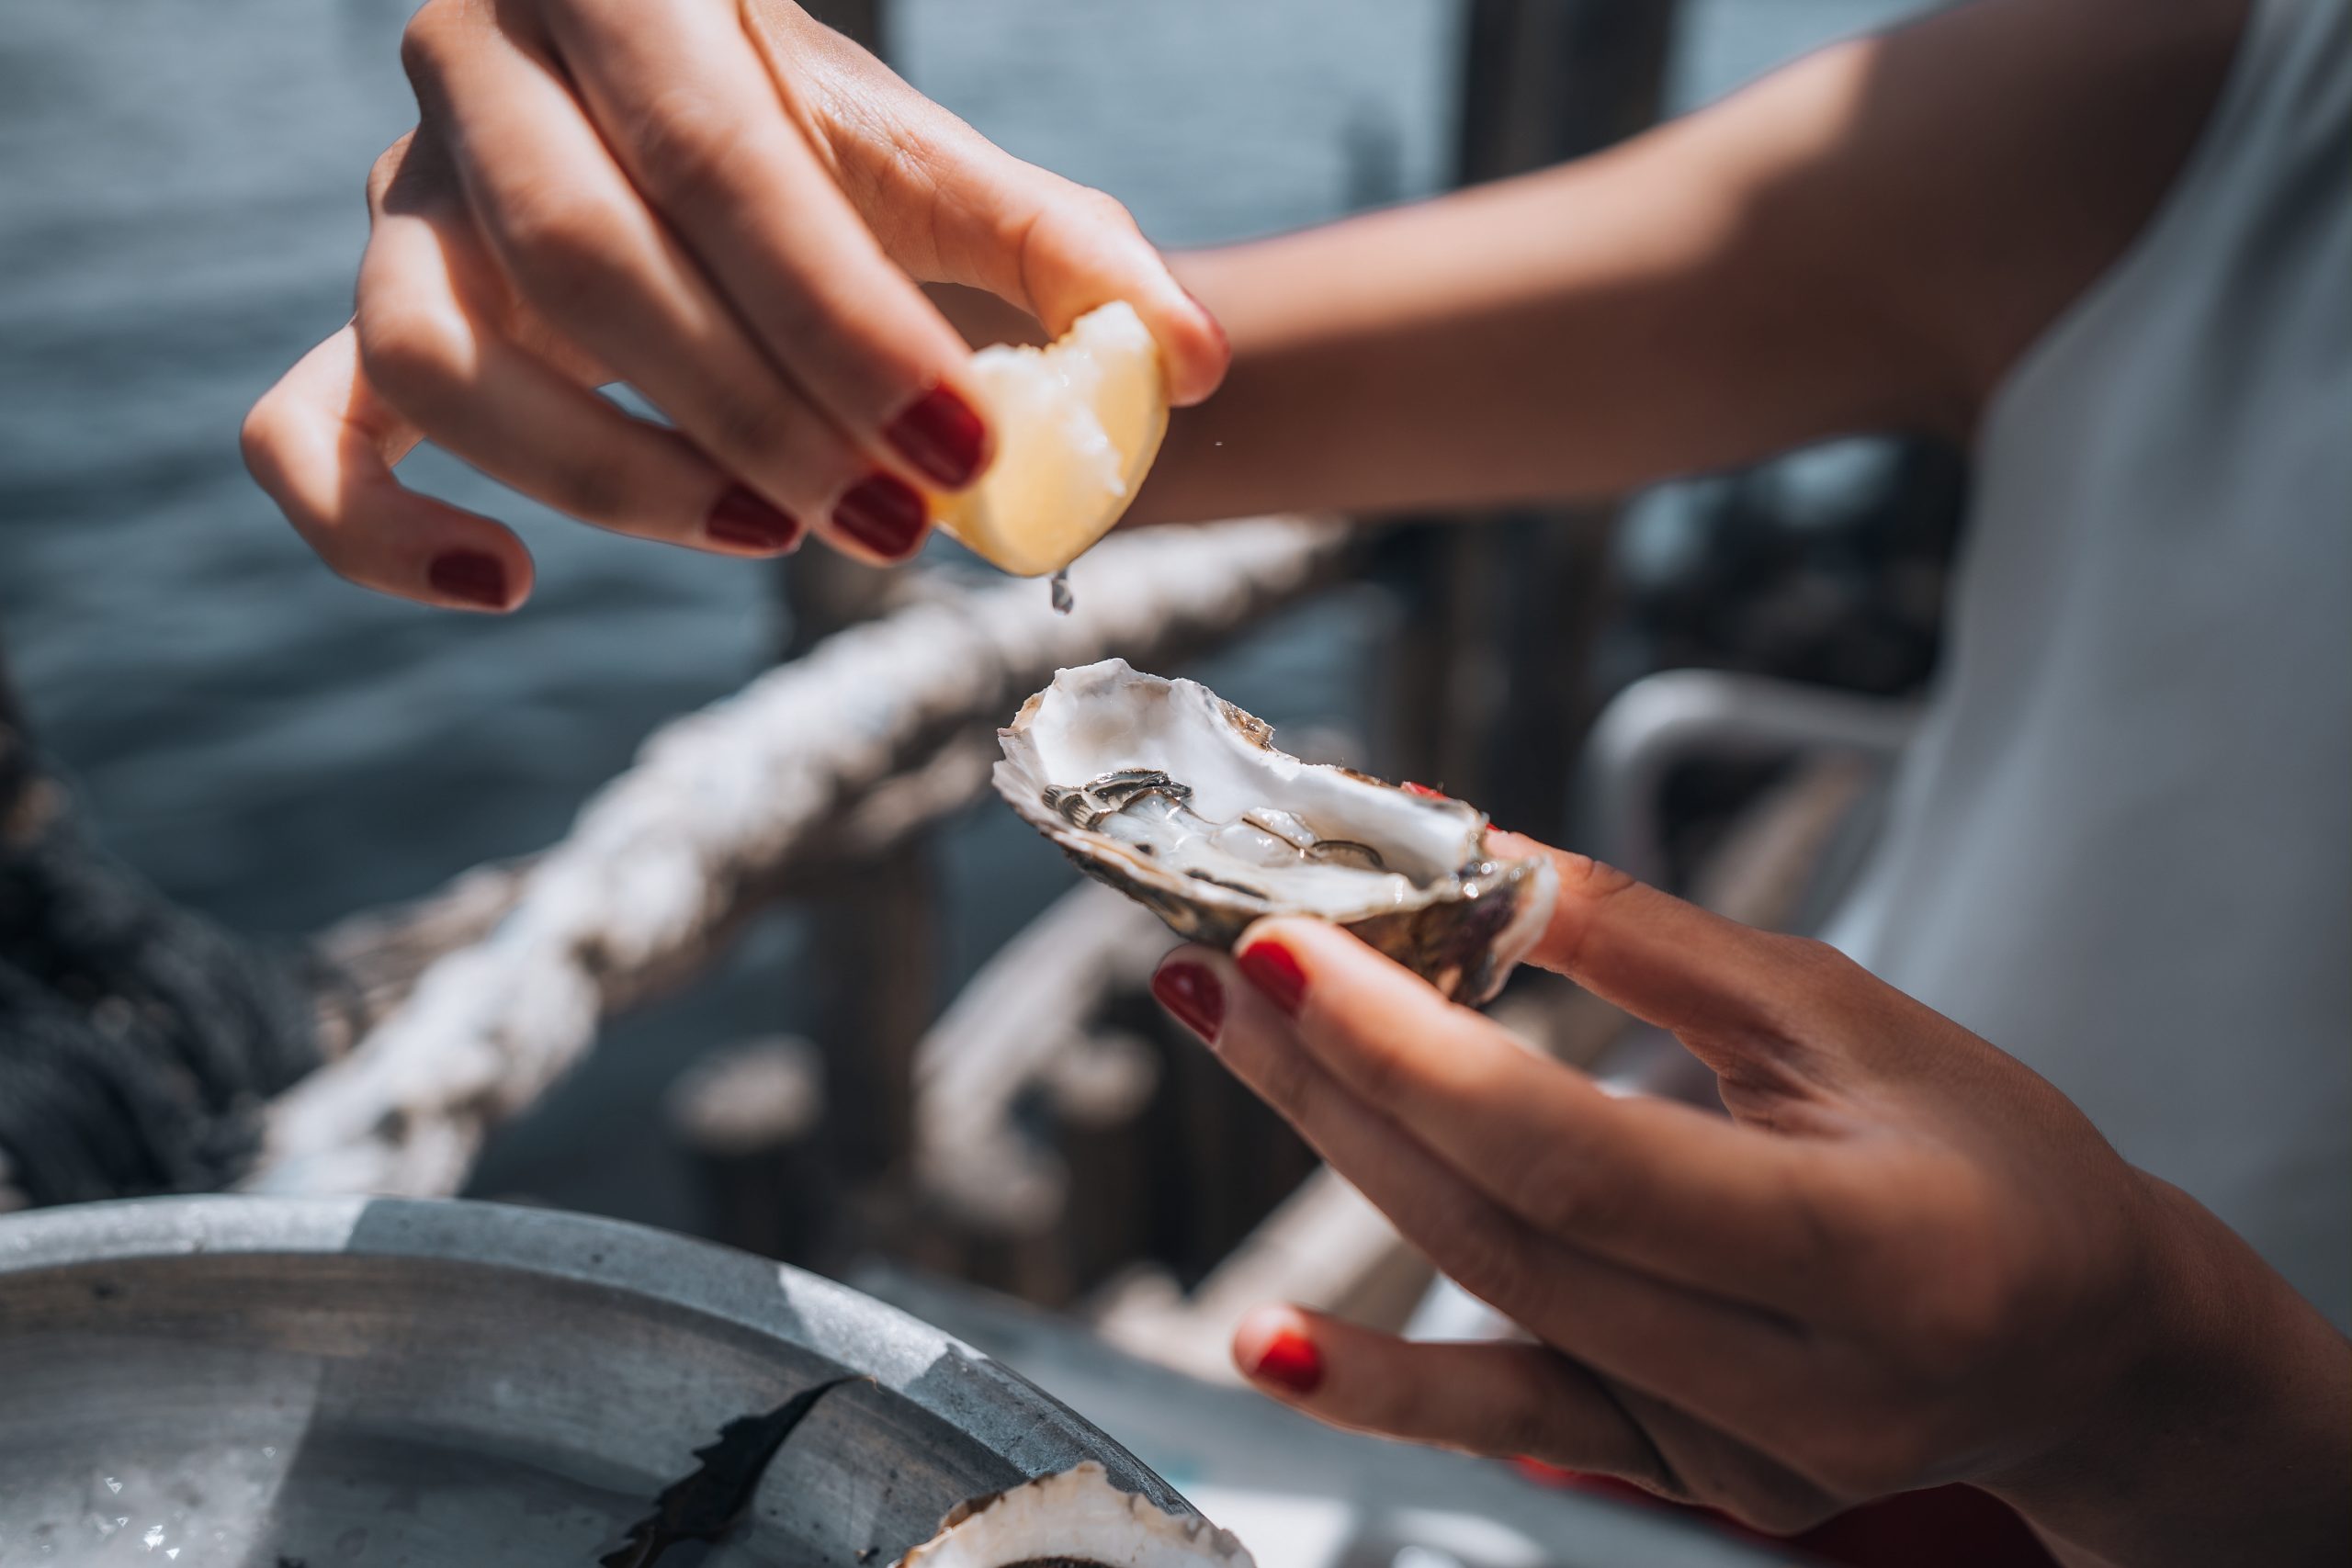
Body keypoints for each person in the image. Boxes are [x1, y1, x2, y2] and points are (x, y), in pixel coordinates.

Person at [240, 0, 2350, 1559]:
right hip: (1646, 1375)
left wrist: (2162, 1395)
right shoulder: (2209, 96)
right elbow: (1133, 393)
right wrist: (707, 263)